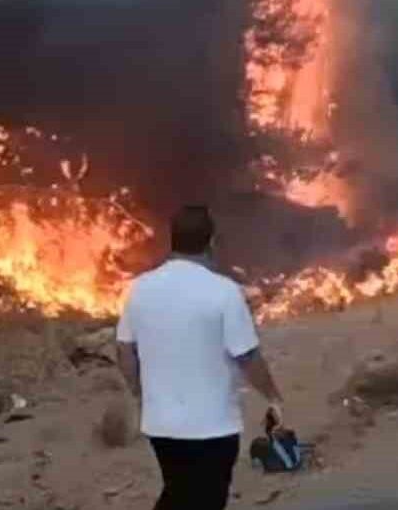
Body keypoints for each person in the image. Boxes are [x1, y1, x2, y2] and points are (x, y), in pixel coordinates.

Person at [117, 205, 284, 510]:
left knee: (177, 491)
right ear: (211, 242)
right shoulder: (224, 292)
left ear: (173, 240)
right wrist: (273, 397)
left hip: (161, 424)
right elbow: (247, 356)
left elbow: (125, 350)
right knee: (205, 498)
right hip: (213, 426)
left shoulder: (139, 289)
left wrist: (139, 393)